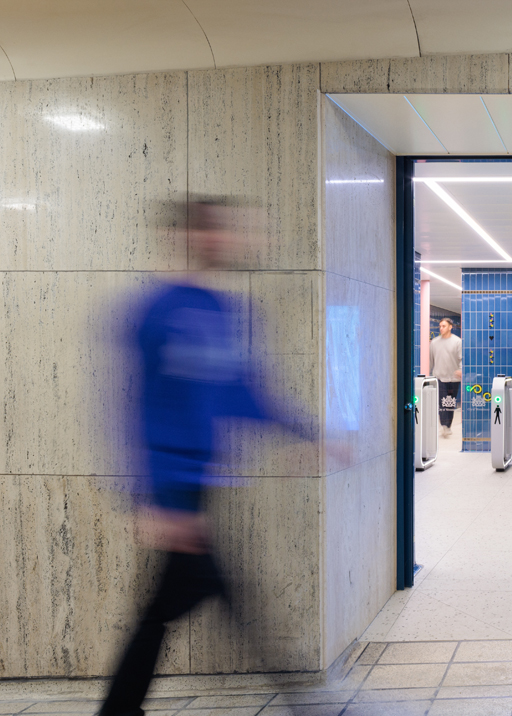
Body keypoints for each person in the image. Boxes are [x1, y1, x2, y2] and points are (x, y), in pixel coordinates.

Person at [98, 197, 313, 716]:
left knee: (179, 604)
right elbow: (132, 408)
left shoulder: (224, 310)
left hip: (201, 485)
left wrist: (304, 432)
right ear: (188, 235)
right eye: (220, 229)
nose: (235, 239)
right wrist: (154, 499)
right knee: (222, 601)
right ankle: (304, 700)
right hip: (174, 489)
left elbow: (242, 392)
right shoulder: (153, 309)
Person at [429, 317, 462, 437]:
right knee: (442, 403)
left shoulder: (457, 341)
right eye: (440, 326)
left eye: (444, 326)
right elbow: (430, 360)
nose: (441, 328)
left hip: (453, 379)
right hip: (439, 377)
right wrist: (428, 375)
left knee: (450, 403)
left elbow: (461, 358)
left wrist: (461, 370)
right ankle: (444, 425)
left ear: (450, 327)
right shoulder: (434, 342)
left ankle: (448, 426)